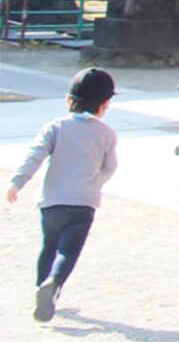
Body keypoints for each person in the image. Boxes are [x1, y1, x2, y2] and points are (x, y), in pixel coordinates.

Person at [8, 67, 118, 323]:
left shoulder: (56, 127)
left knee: (49, 246)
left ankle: (41, 289)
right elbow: (110, 167)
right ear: (104, 105)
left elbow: (34, 156)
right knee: (68, 250)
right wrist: (95, 183)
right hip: (84, 203)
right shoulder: (106, 134)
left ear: (69, 100)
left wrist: (16, 183)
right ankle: (54, 284)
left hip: (52, 201)